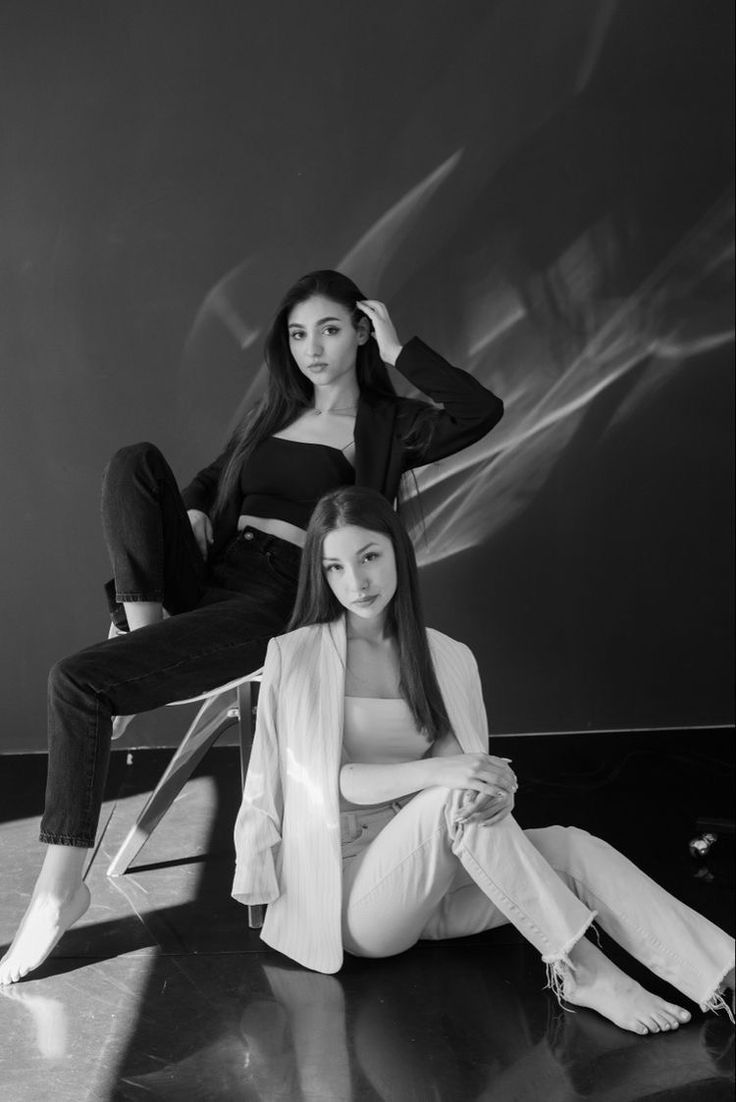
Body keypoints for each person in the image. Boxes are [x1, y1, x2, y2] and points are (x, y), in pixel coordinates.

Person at [0, 270, 503, 986]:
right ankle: (141, 628)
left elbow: (479, 410)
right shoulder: (274, 412)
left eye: (330, 329)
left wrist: (399, 351)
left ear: (360, 330)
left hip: (277, 599)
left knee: (75, 683)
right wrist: (202, 510)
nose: (312, 349)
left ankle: (58, 890)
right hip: (212, 576)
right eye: (298, 335)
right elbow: (210, 477)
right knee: (134, 463)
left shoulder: (385, 426)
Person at [231, 486, 735, 1036]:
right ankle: (584, 972)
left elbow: (464, 765)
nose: (356, 582)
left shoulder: (445, 655)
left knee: (572, 846)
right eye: (335, 567)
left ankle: (724, 969)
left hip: (438, 884)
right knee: (451, 794)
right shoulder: (296, 654)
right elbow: (325, 784)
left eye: (369, 556)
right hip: (353, 899)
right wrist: (446, 775)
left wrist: (494, 786)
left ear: (398, 552)